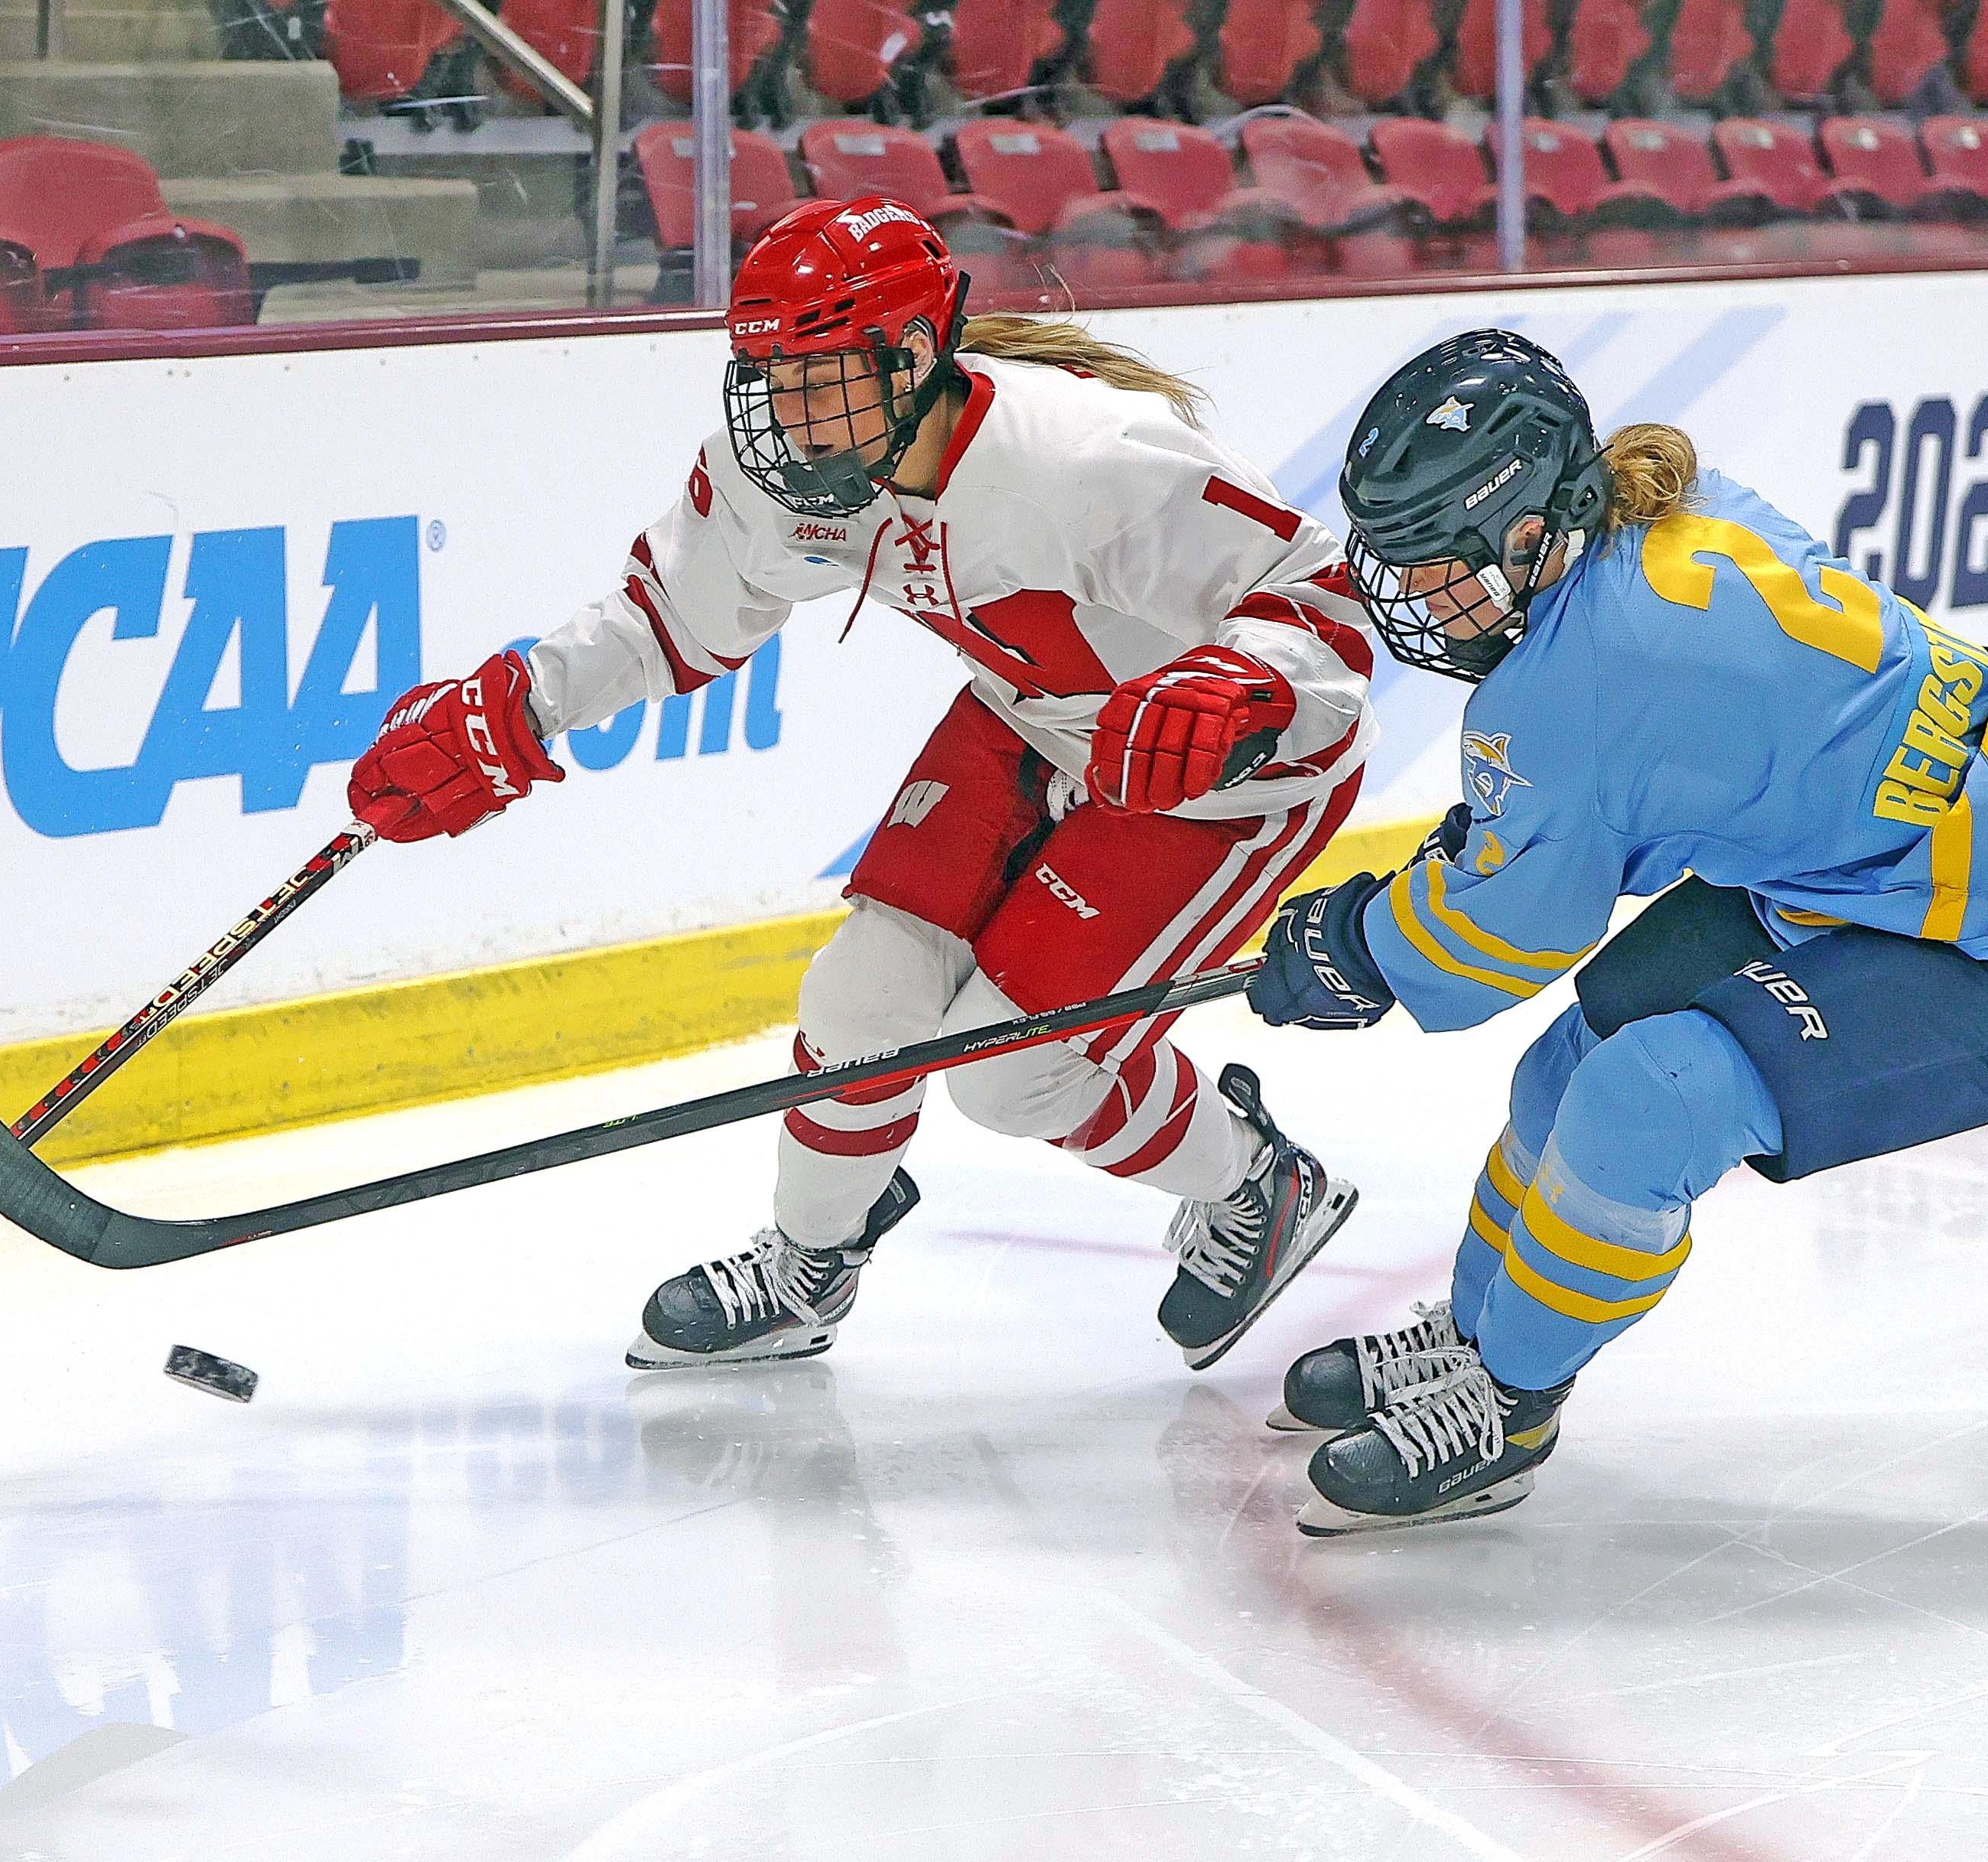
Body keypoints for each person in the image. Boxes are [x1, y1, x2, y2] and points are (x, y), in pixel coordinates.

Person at [346, 197, 1378, 1374]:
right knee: (857, 1000)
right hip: (1031, 719)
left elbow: (1324, 604)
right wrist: (513, 706)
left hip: (1213, 776)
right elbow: (667, 618)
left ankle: (1260, 1182)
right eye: (765, 383)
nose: (782, 424)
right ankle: (808, 1269)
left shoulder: (1084, 458)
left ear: (913, 357)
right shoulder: (800, 459)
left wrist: (1243, 687)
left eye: (815, 380)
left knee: (1014, 1070)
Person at [1248, 329, 1988, 1537]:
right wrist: (1496, 841)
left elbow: (1501, 940)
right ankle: (1474, 1341)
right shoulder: (1672, 520)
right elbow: (1666, 797)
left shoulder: (1571, 684)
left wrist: (1357, 942)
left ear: (1532, 531)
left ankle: (1507, 1407)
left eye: (1441, 564)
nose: (1417, 597)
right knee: (1571, 1063)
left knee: (1648, 1097)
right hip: (1885, 860)